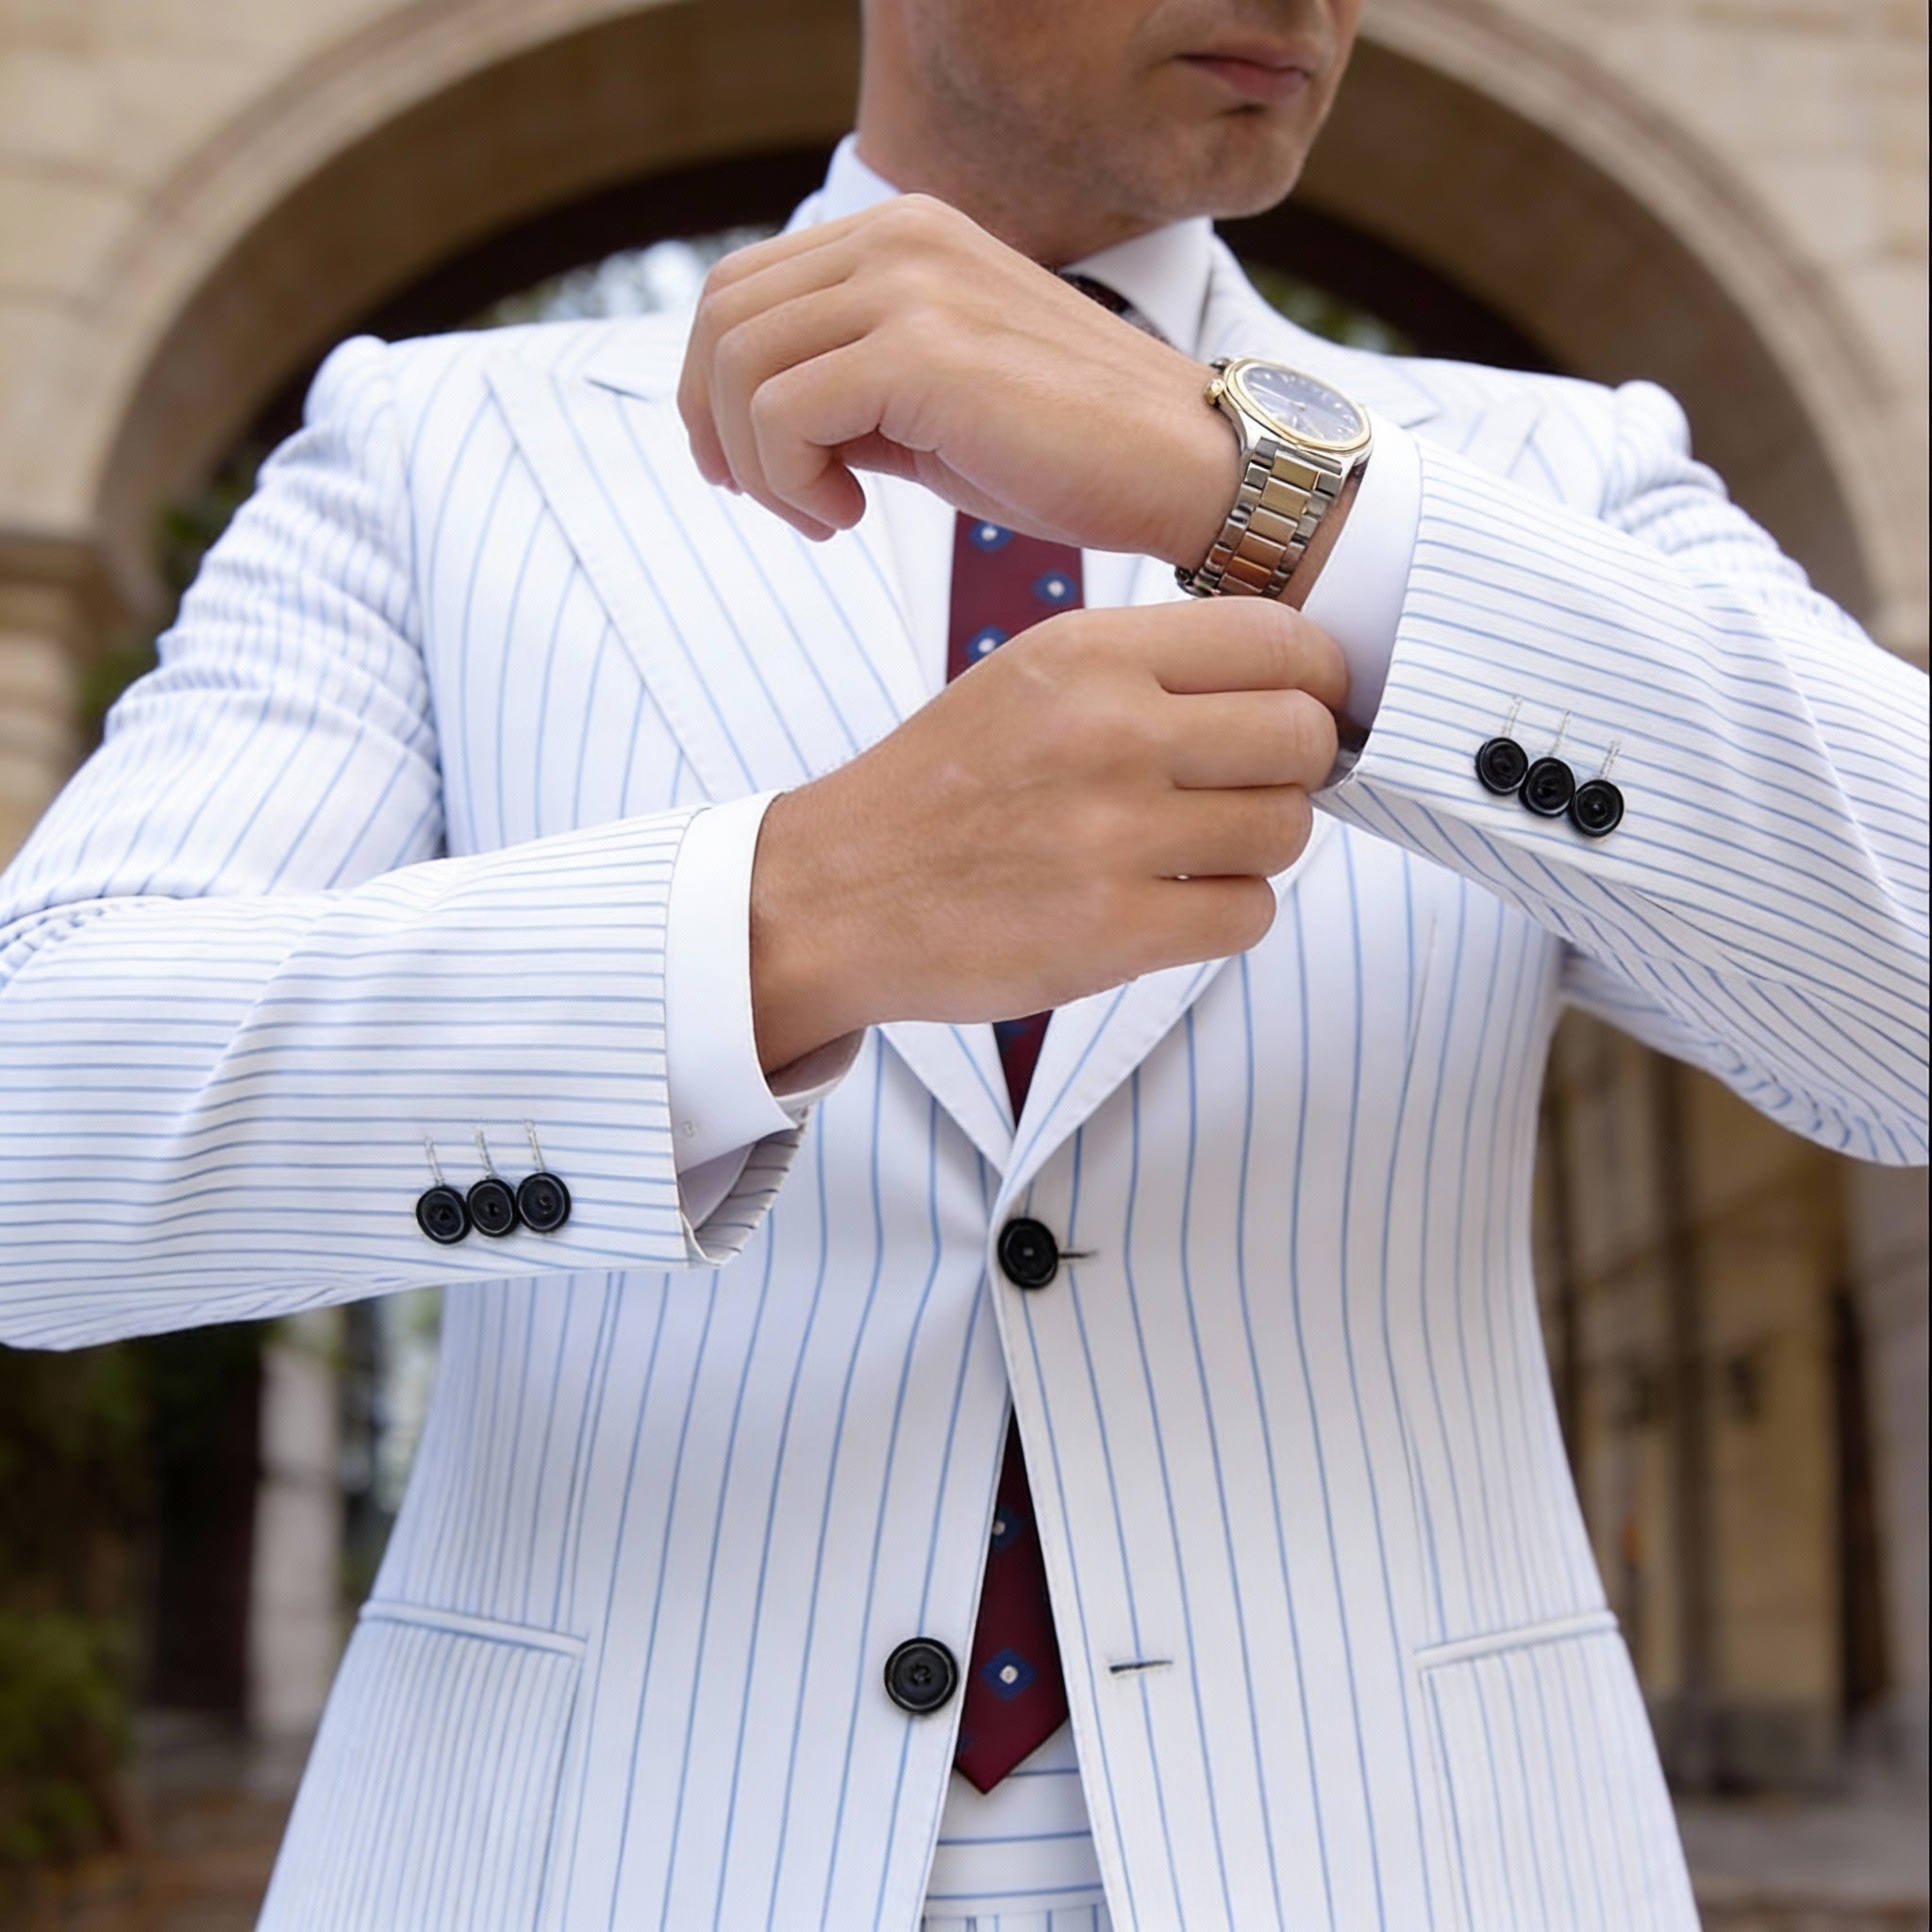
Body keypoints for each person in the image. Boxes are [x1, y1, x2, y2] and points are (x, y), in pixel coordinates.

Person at [1, 0, 1924, 1924]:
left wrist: (1277, 503)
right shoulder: (435, 453)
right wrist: (786, 921)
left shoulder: (1552, 483)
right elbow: (34, 1144)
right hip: (592, 1860)